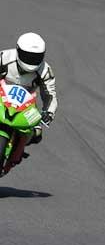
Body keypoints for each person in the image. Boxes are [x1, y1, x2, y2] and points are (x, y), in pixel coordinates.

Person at [0, 33, 57, 166]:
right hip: (1, 95)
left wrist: (49, 112)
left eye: (36, 57)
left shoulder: (45, 70)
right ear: (18, 51)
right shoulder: (3, 57)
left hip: (26, 103)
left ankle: (17, 153)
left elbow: (50, 95)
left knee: (36, 133)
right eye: (28, 56)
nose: (31, 60)